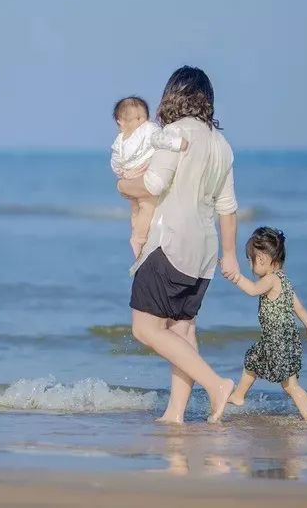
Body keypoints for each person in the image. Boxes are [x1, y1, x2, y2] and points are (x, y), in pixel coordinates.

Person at [117, 66, 239, 423]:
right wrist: (229, 255)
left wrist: (123, 186)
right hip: (204, 253)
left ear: (173, 95)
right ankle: (175, 414)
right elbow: (227, 206)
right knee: (182, 329)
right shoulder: (222, 145)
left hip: (170, 244)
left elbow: (153, 184)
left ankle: (216, 385)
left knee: (145, 329)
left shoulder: (173, 133)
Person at [224, 226, 307, 421]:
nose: (251, 266)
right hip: (285, 341)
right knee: (253, 360)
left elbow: (252, 290)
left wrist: (235, 277)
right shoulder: (284, 281)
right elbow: (299, 308)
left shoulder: (270, 280)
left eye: (250, 261)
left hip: (277, 342)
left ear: (261, 259)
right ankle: (238, 395)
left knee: (290, 386)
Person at [110, 95, 187, 258]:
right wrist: (179, 143)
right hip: (144, 175)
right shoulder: (149, 129)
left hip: (129, 177)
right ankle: (139, 239)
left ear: (119, 122)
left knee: (135, 210)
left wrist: (121, 174)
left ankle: (135, 235)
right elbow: (161, 140)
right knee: (148, 207)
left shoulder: (119, 141)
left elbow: (115, 162)